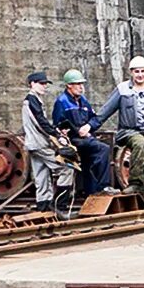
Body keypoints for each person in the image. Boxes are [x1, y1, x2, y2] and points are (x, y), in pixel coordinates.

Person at [97, 56, 144, 207]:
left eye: (143, 71)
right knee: (140, 143)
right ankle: (134, 183)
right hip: (130, 131)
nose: (140, 75)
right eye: (137, 71)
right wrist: (90, 126)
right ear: (131, 73)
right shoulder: (123, 89)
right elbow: (106, 110)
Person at [52, 69, 114, 199]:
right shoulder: (62, 102)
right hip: (73, 140)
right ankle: (103, 186)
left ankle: (90, 192)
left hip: (85, 139)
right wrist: (69, 133)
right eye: (78, 84)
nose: (81, 87)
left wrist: (88, 127)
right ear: (69, 85)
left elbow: (94, 118)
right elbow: (58, 125)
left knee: (89, 161)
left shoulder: (83, 101)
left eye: (82, 84)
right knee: (103, 149)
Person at [23, 71, 75, 215]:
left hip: (34, 144)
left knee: (41, 177)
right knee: (66, 169)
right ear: (32, 84)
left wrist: (55, 131)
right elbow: (41, 123)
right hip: (39, 144)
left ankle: (44, 209)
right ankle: (60, 207)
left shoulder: (33, 100)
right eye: (41, 83)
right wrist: (57, 135)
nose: (44, 86)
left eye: (45, 83)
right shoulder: (32, 101)